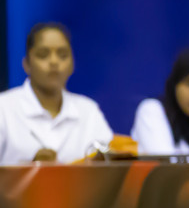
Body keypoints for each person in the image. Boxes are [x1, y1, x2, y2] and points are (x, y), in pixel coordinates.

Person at [0, 23, 113, 165]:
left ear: (72, 64)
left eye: (62, 55)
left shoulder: (89, 111)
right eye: (43, 55)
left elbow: (110, 165)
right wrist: (29, 170)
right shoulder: (3, 108)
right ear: (26, 64)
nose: (54, 61)